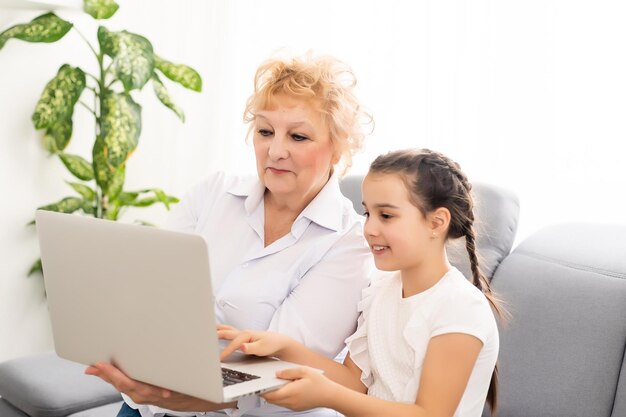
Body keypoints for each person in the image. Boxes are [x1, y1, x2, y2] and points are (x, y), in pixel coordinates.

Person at [85, 53, 374, 417]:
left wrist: (185, 396)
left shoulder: (349, 244)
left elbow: (280, 370)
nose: (276, 151)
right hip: (152, 405)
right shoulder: (214, 193)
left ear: (339, 146)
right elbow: (151, 294)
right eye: (265, 131)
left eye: (298, 136)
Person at [218, 148, 507, 417]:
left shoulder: (459, 307)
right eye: (368, 213)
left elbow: (429, 414)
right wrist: (283, 347)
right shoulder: (382, 288)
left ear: (436, 222)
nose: (369, 228)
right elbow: (354, 382)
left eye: (386, 216)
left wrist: (328, 396)